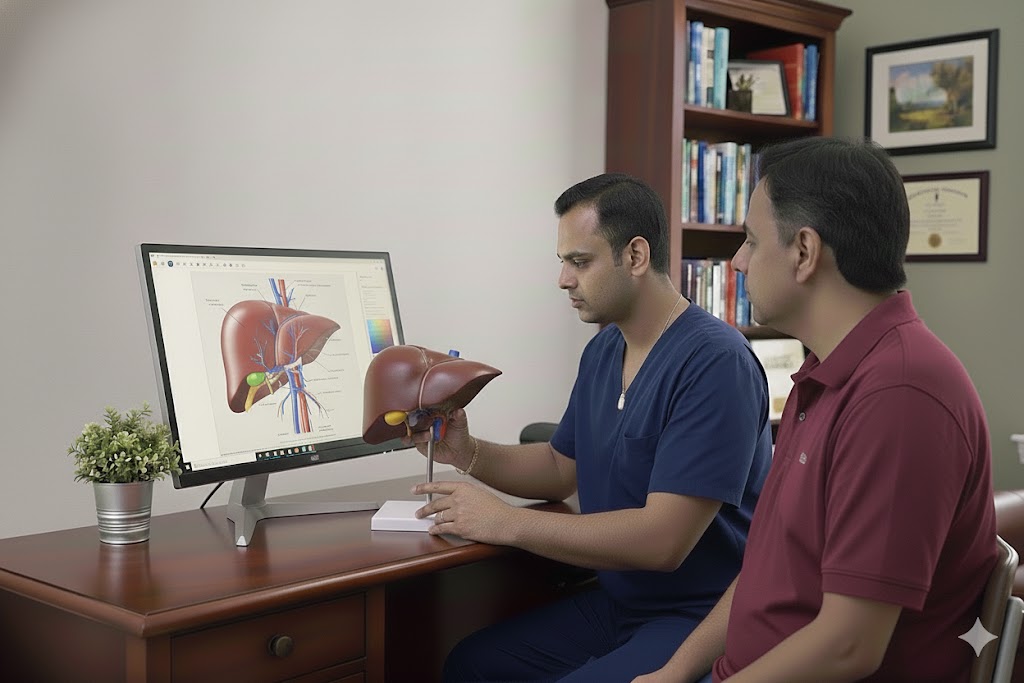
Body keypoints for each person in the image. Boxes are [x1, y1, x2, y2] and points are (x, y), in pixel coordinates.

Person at [634, 136, 999, 683]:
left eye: (752, 242)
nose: (736, 261)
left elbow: (849, 645)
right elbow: (769, 570)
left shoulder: (899, 396)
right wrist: (677, 669)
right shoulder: (826, 377)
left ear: (804, 252)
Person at [409, 172, 774, 682]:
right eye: (563, 262)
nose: (563, 280)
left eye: (580, 262)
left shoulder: (716, 362)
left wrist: (506, 522)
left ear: (636, 256)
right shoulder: (605, 349)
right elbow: (561, 466)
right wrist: (467, 452)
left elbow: (663, 542)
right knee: (471, 665)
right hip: (620, 604)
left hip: (698, 615)